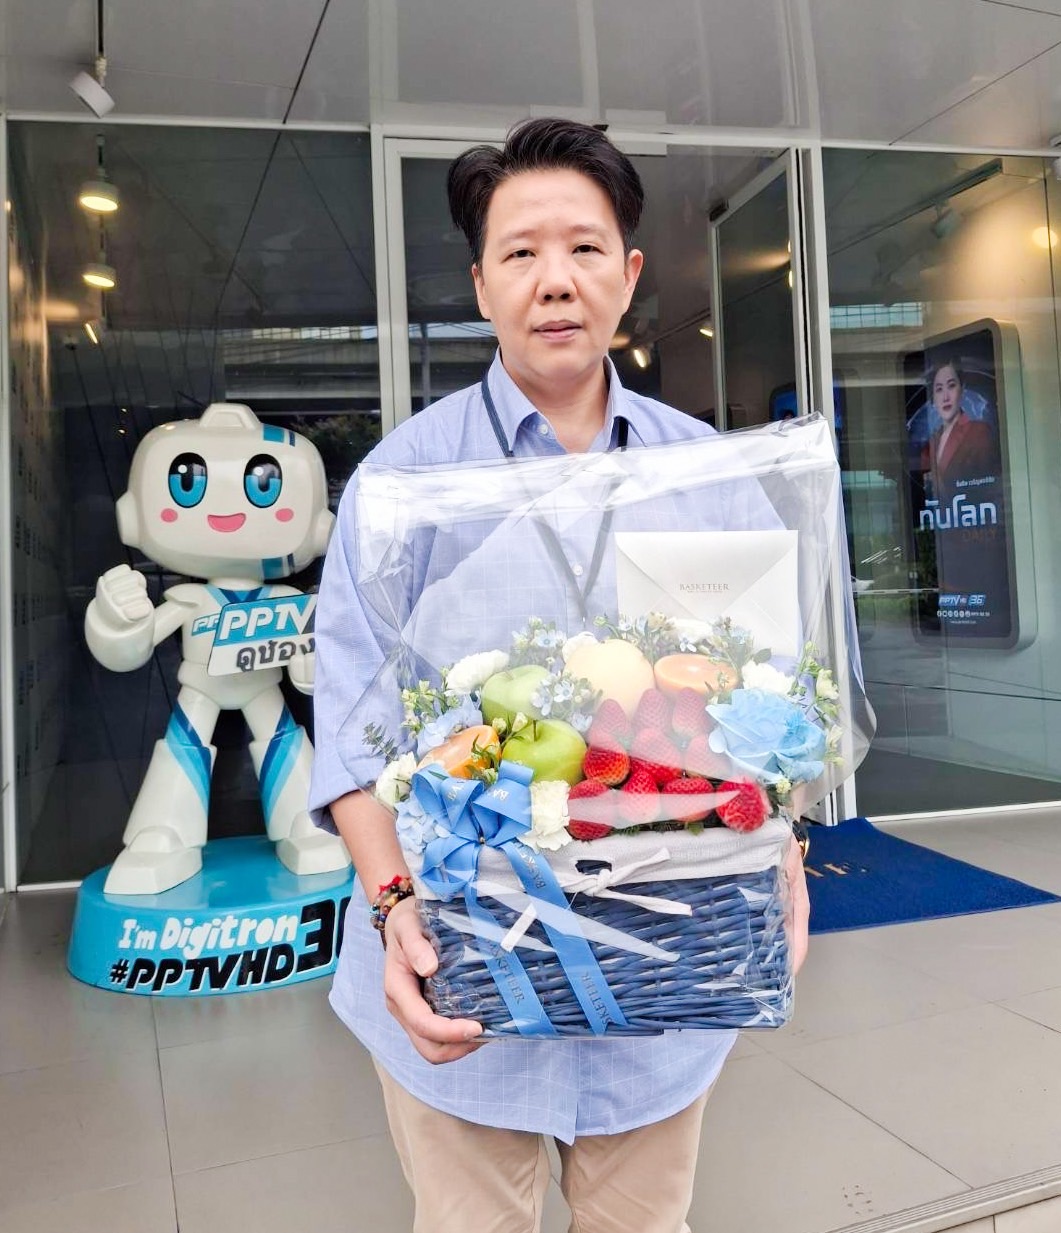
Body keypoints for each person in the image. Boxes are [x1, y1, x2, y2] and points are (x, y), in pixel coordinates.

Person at [309, 117, 810, 1233]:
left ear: (627, 277)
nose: (554, 282)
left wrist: (784, 841)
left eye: (584, 250)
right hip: (460, 978)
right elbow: (350, 720)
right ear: (480, 282)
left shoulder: (707, 475)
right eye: (521, 253)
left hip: (663, 985)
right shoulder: (405, 484)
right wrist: (391, 902)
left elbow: (762, 703)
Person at [923, 360, 999, 499]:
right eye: (939, 389)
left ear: (961, 389)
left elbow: (990, 487)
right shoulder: (932, 442)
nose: (945, 397)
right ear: (933, 397)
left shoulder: (979, 431)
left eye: (951, 386)